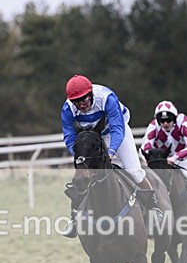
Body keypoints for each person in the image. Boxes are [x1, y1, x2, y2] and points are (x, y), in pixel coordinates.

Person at [60, 74, 163, 238]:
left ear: (91, 93)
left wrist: (111, 152)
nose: (82, 104)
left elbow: (117, 129)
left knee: (133, 171)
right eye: (77, 101)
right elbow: (69, 136)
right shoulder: (67, 109)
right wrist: (79, 156)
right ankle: (74, 218)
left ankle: (153, 208)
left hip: (116, 131)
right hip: (91, 136)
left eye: (84, 99)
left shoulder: (107, 98)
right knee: (80, 177)